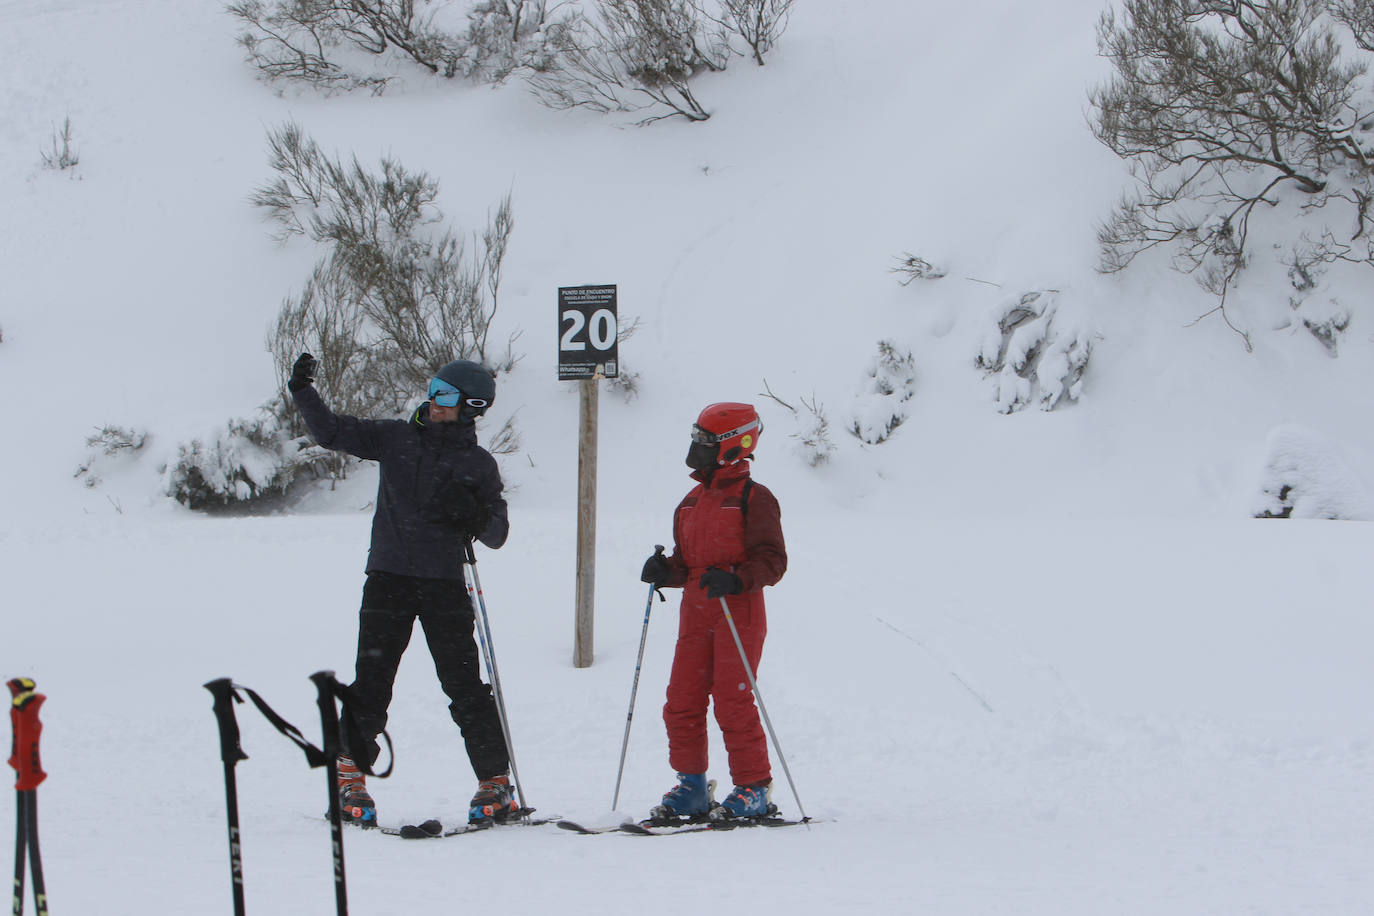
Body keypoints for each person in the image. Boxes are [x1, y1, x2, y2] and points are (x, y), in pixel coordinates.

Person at [286, 352, 516, 827]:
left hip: (444, 586)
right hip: (388, 580)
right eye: (434, 388)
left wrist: (471, 514)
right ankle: (349, 778)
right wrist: (304, 392)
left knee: (464, 687)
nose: (435, 401)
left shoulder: (478, 465)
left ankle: (494, 783)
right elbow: (330, 431)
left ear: (471, 407)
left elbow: (496, 532)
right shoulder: (395, 437)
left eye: (447, 395)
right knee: (371, 683)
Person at [638, 402, 788, 821]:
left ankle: (754, 786)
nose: (696, 447)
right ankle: (692, 786)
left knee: (732, 699)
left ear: (733, 446)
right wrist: (665, 571)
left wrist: (739, 578)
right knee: (681, 699)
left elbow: (773, 560)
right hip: (697, 610)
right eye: (695, 438)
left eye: (705, 441)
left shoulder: (754, 498)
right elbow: (687, 564)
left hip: (737, 609)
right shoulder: (690, 501)